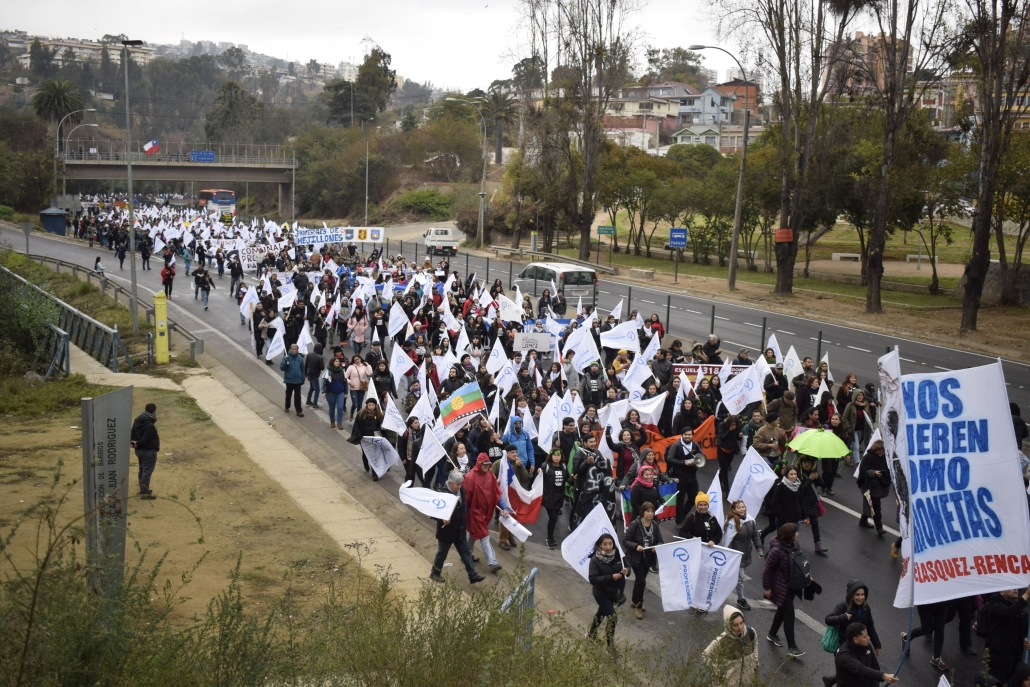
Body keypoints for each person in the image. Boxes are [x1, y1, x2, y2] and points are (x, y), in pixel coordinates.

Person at [429, 470, 486, 585]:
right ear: (450, 483)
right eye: (457, 484)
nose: (459, 487)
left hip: (460, 530)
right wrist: (442, 519)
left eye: (461, 484)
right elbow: (432, 512)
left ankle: (472, 575)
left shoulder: (461, 491)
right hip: (447, 531)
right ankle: (435, 573)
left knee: (466, 552)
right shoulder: (441, 494)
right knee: (442, 553)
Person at [821, 581, 881, 686]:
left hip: (860, 647)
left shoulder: (866, 608)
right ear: (851, 595)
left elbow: (870, 626)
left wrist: (876, 644)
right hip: (845, 646)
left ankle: (830, 680)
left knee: (856, 670)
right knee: (850, 673)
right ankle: (832, 681)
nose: (860, 597)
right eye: (857, 595)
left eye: (863, 595)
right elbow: (828, 619)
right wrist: (843, 617)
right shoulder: (843, 606)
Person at [762, 522, 804, 658]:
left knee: (782, 610)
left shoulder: (795, 545)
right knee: (789, 615)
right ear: (790, 535)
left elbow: (800, 562)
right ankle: (792, 647)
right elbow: (766, 572)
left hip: (792, 586)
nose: (798, 534)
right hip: (780, 587)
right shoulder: (776, 551)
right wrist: (767, 588)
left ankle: (772, 634)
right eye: (796, 532)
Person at [463, 453, 505, 573]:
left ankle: (465, 554)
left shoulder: (490, 476)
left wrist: (504, 507)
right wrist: (464, 516)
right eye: (484, 464)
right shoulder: (470, 477)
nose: (487, 466)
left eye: (488, 464)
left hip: (485, 513)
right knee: (484, 536)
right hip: (474, 513)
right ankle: (492, 563)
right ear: (479, 464)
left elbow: (497, 494)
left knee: (473, 534)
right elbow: (466, 499)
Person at [623, 500, 664, 621]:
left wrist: (657, 546)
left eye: (652, 511)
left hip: (648, 559)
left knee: (640, 581)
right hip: (636, 558)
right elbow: (625, 540)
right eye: (648, 511)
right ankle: (639, 606)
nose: (650, 514)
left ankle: (634, 600)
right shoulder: (636, 524)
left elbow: (660, 540)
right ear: (642, 512)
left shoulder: (654, 525)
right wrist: (636, 546)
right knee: (642, 582)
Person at [980, 586, 1030, 683]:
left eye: (1017, 588)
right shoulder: (994, 605)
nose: (1016, 590)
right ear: (1002, 591)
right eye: (1012, 588)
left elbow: (1021, 627)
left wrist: (1024, 640)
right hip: (997, 658)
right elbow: (1008, 613)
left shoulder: (1018, 609)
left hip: (1013, 659)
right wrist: (1026, 594)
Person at [586, 533, 627, 649]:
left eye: (610, 544)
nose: (608, 547)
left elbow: (627, 565)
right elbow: (593, 579)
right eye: (605, 544)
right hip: (601, 593)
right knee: (612, 617)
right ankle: (610, 645)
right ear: (600, 545)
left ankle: (591, 633)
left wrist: (626, 570)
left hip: (614, 592)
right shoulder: (595, 559)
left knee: (601, 613)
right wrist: (611, 577)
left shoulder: (618, 554)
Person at [703, 606, 760, 687]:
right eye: (735, 625)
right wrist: (717, 672)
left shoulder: (751, 632)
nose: (740, 627)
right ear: (729, 625)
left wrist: (755, 665)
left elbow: (755, 648)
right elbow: (706, 654)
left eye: (741, 623)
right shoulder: (722, 640)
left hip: (747, 683)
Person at [829, 623, 898, 687]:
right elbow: (861, 669)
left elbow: (875, 667)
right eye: (865, 637)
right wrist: (884, 676)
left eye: (867, 635)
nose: (868, 638)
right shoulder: (843, 655)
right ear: (855, 639)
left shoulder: (867, 646)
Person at [724, 500, 762, 611]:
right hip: (736, 555)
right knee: (740, 578)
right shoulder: (731, 523)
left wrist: (759, 549)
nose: (742, 509)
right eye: (739, 507)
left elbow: (755, 535)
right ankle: (741, 599)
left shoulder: (750, 520)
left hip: (746, 554)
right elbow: (728, 540)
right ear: (734, 510)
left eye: (743, 507)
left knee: (738, 577)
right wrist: (729, 555)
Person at [666, 427, 704, 526]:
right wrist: (683, 462)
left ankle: (683, 513)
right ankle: (679, 520)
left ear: (692, 435)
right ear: (682, 435)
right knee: (680, 499)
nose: (687, 436)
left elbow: (702, 456)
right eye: (685, 434)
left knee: (694, 496)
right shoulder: (676, 445)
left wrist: (698, 460)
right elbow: (669, 458)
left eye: (689, 434)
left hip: (691, 475)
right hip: (679, 476)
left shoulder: (695, 445)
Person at [857, 440, 890, 534]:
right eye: (879, 451)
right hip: (871, 486)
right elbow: (863, 471)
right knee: (876, 507)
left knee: (870, 504)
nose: (881, 453)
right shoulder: (868, 457)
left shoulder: (885, 457)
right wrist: (874, 473)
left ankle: (863, 520)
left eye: (883, 451)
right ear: (875, 450)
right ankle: (879, 528)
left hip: (880, 484)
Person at [130, 402, 160, 500]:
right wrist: (138, 443)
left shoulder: (138, 419)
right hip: (148, 451)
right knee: (147, 471)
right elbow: (146, 439)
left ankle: (142, 489)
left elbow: (133, 432)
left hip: (139, 451)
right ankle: (145, 492)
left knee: (142, 469)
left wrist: (134, 442)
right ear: (154, 411)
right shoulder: (149, 425)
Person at [541, 446, 570, 549]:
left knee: (554, 518)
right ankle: (549, 538)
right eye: (554, 455)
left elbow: (568, 478)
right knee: (553, 518)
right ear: (551, 456)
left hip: (559, 498)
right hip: (549, 497)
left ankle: (551, 537)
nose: (556, 457)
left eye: (558, 455)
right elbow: (539, 480)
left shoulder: (564, 466)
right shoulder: (546, 466)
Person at [348, 399, 384, 479]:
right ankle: (365, 462)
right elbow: (357, 425)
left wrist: (382, 427)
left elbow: (380, 424)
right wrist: (359, 435)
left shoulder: (378, 415)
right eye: (369, 405)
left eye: (373, 405)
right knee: (366, 453)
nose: (371, 407)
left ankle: (374, 473)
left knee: (374, 455)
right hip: (364, 438)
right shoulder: (361, 414)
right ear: (367, 405)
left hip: (374, 438)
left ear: (375, 406)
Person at [280, 343, 306, 417]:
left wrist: (302, 378)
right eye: (293, 349)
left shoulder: (300, 358)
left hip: (297, 380)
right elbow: (282, 368)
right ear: (290, 350)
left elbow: (302, 369)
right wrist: (285, 362)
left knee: (297, 396)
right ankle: (287, 406)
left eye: (295, 349)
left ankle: (299, 411)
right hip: (289, 380)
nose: (294, 350)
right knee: (289, 394)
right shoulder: (285, 358)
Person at [345, 355, 373, 422]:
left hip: (361, 388)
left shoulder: (364, 367)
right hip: (353, 388)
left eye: (358, 359)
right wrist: (349, 382)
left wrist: (368, 365)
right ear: (353, 361)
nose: (357, 361)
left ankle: (358, 419)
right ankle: (351, 413)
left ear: (360, 359)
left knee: (360, 405)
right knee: (355, 404)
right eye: (355, 360)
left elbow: (369, 373)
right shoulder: (351, 367)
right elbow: (345, 377)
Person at [323, 357, 347, 429]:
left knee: (340, 408)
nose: (337, 362)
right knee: (332, 408)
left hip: (340, 393)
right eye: (336, 361)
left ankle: (339, 423)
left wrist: (346, 392)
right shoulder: (328, 372)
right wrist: (323, 391)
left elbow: (345, 382)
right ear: (332, 362)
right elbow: (323, 383)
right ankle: (332, 422)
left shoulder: (342, 371)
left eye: (338, 361)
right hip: (330, 394)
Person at [305, 343, 325, 410]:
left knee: (312, 388)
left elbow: (306, 364)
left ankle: (308, 400)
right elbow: (322, 367)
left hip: (309, 373)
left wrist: (306, 374)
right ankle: (315, 404)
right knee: (317, 389)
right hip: (315, 374)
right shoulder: (320, 357)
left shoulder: (309, 354)